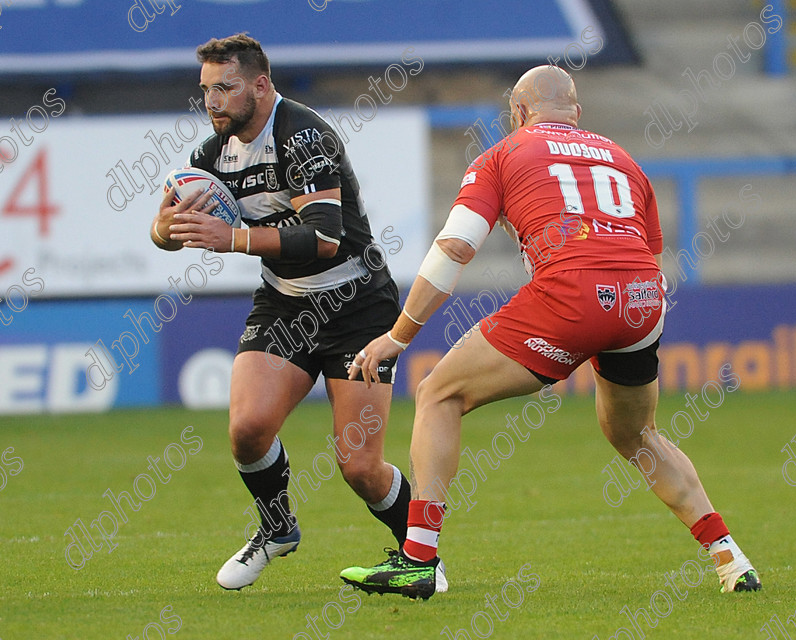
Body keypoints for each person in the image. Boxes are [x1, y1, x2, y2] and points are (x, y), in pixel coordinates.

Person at [338, 65, 761, 599]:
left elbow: (454, 247)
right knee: (637, 435)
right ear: (576, 113)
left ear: (518, 113)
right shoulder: (622, 158)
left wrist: (397, 337)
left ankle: (419, 560)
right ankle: (730, 558)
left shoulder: (504, 153)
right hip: (642, 298)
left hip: (571, 295)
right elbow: (647, 252)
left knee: (438, 393)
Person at [150, 33, 447, 592]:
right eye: (206, 90)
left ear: (260, 85)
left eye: (225, 88)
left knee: (360, 467)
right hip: (284, 302)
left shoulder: (304, 135)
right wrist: (164, 230)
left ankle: (421, 559)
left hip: (355, 303)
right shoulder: (209, 157)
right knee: (247, 429)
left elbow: (328, 239)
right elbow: (167, 230)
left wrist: (233, 237)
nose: (212, 101)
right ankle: (277, 528)